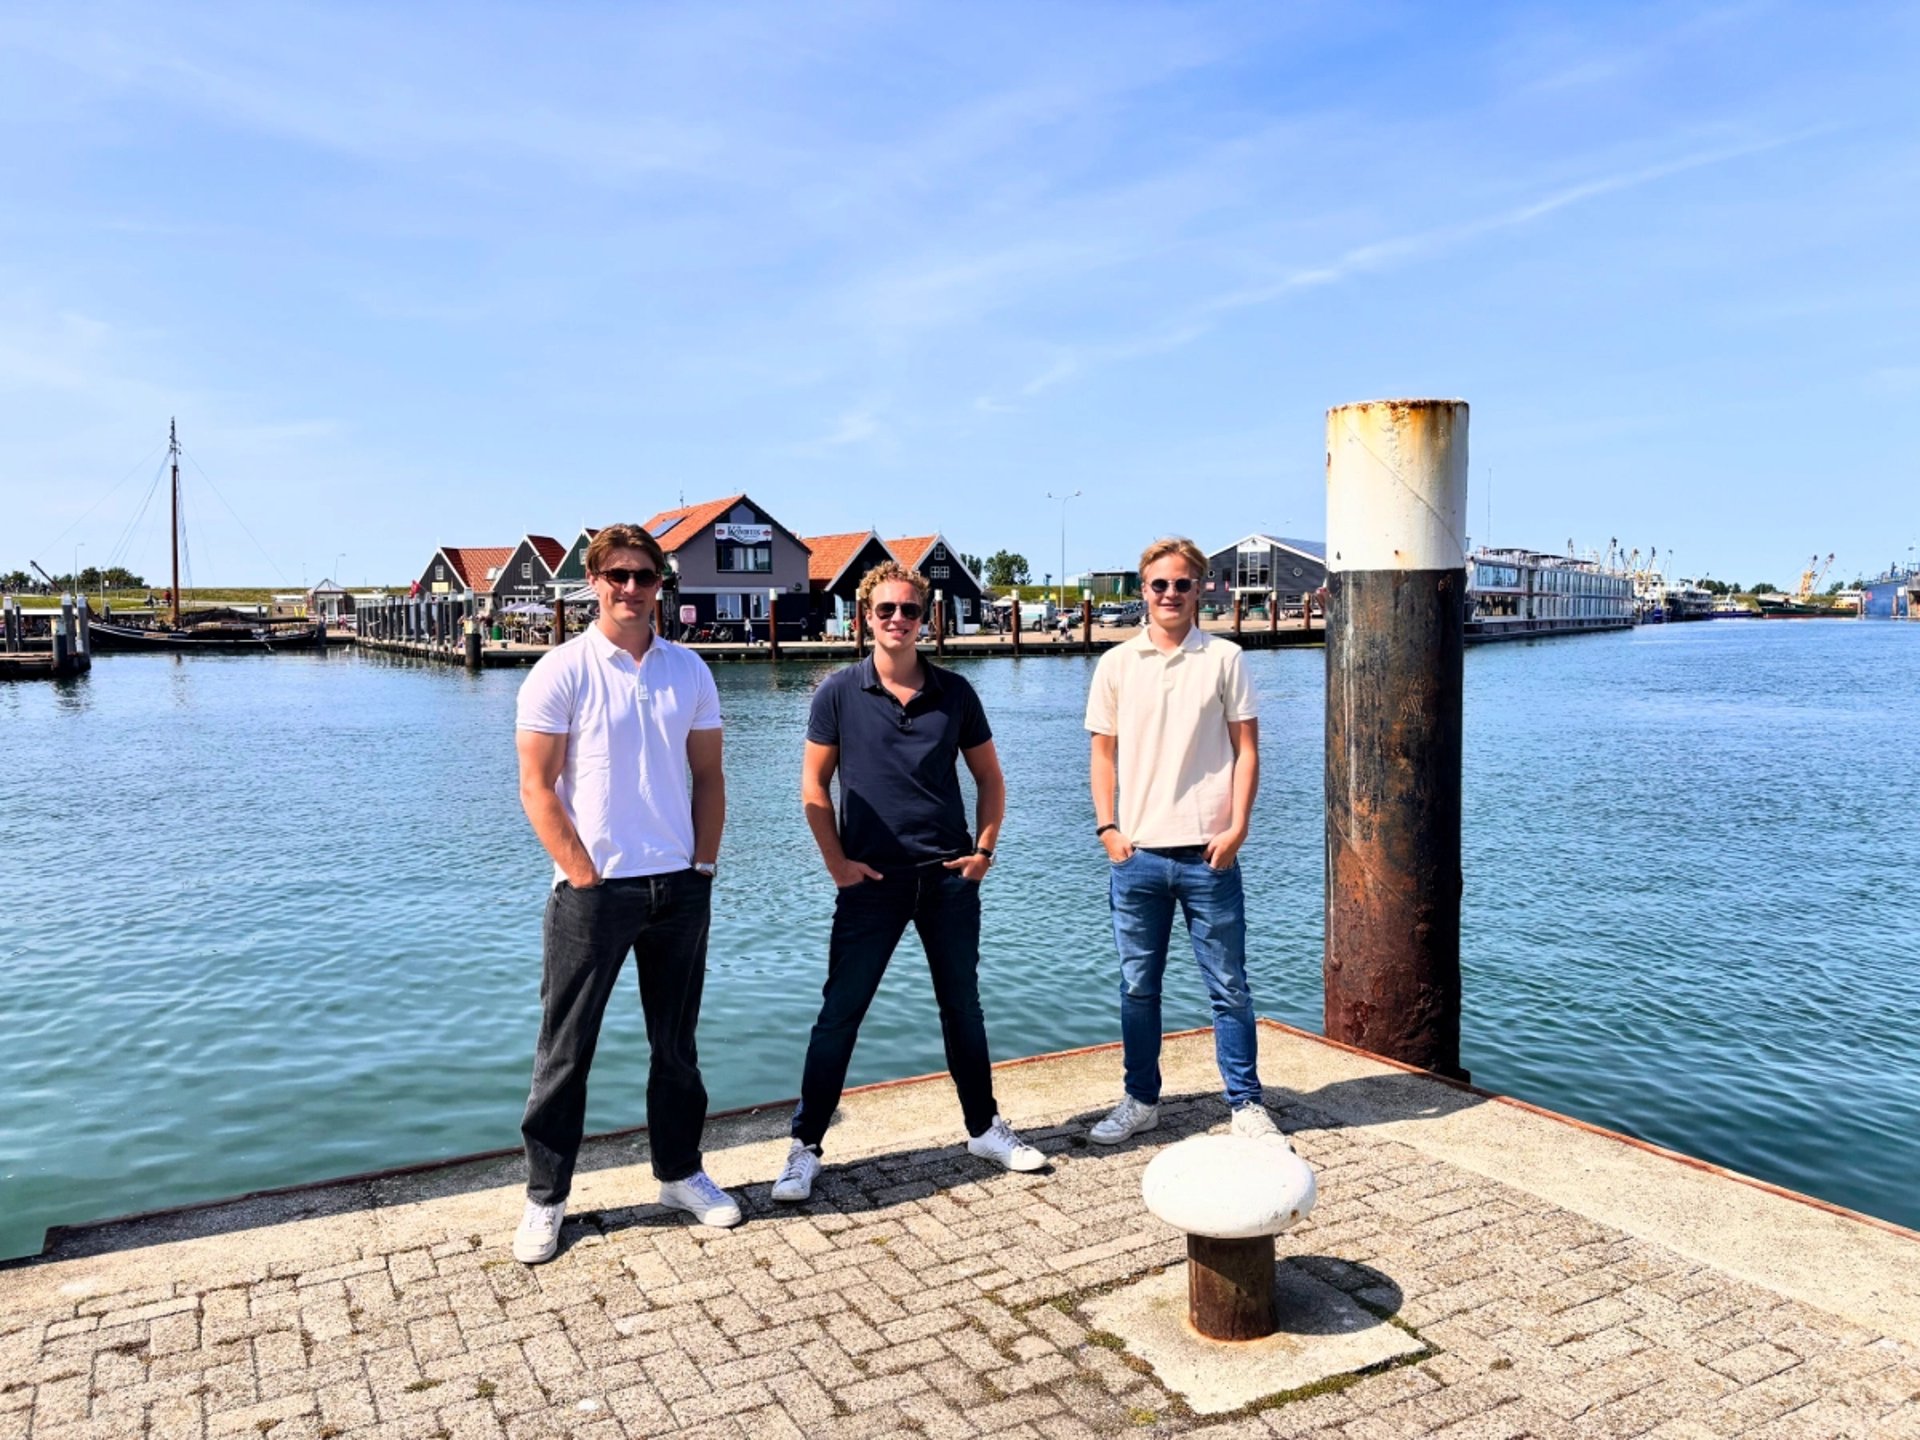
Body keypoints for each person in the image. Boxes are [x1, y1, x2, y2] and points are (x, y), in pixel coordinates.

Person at [772, 561, 1044, 1201]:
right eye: (886, 610)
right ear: (866, 618)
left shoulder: (956, 693)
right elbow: (813, 785)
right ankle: (804, 1146)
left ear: (927, 618)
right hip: (870, 882)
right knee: (840, 1013)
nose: (899, 620)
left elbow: (990, 780)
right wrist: (837, 865)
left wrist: (983, 851)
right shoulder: (837, 693)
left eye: (911, 610)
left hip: (949, 878)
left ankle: (983, 1127)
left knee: (963, 1008)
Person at [511, 521, 739, 1264]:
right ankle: (546, 1198)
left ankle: (679, 1174)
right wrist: (582, 873)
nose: (633, 589)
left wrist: (702, 866)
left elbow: (708, 777)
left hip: (678, 885)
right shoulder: (561, 671)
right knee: (565, 1052)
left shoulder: (690, 672)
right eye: (619, 576)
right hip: (594, 890)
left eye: (645, 576)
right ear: (594, 582)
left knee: (676, 1048)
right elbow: (537, 787)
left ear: (660, 584)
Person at [1083, 537, 1281, 1146]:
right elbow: (1102, 753)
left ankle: (1245, 1104)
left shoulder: (1225, 658)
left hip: (1208, 854)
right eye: (1159, 585)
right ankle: (1141, 1099)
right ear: (1142, 591)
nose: (1170, 594)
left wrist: (1238, 825)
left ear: (1202, 589)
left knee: (1229, 986)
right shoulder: (1117, 663)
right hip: (1137, 855)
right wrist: (1108, 828)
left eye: (1182, 584)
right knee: (1139, 987)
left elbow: (1246, 749)